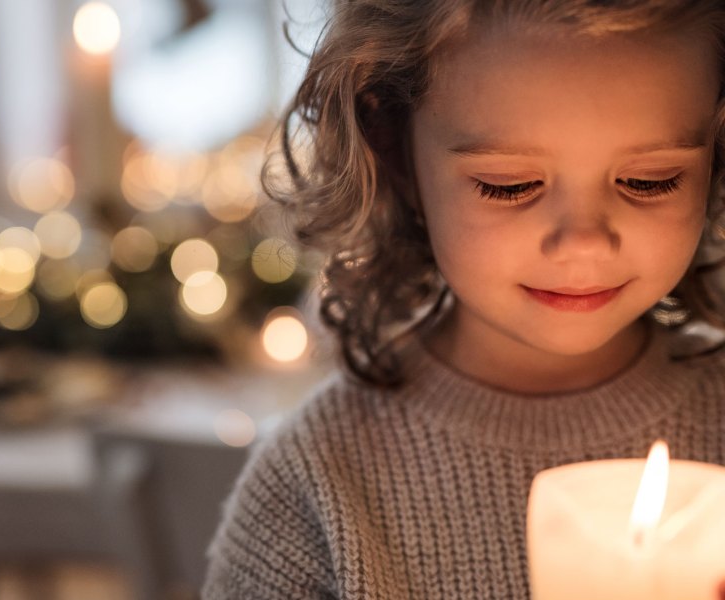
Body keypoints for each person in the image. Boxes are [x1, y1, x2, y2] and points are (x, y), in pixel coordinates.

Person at [202, 1, 725, 598]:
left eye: (650, 180)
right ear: (393, 148)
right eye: (509, 185)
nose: (583, 242)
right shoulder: (317, 488)